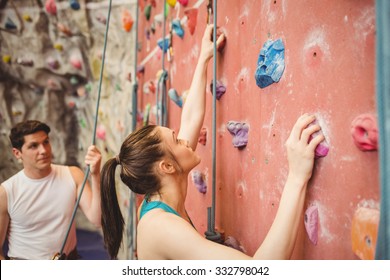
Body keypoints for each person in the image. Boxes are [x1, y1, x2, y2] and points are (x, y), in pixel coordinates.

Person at [100, 24, 325, 260]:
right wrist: (297, 176)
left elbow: (190, 118)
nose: (185, 140)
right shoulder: (160, 227)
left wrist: (204, 57)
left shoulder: (163, 189)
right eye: (176, 140)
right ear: (166, 166)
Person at [0, 120, 102, 260]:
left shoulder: (73, 175)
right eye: (33, 146)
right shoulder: (6, 192)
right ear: (17, 153)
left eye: (46, 142)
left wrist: (96, 174)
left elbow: (97, 219)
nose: (43, 150)